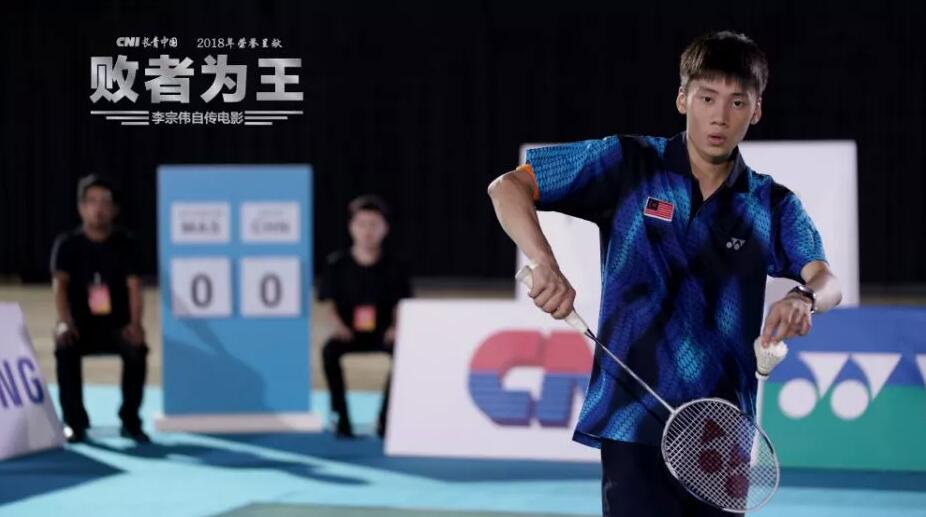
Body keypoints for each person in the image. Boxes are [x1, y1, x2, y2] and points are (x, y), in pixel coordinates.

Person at [488, 31, 842, 516]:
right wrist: (544, 261)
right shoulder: (628, 163)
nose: (720, 116)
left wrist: (804, 297)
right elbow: (508, 187)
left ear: (756, 110)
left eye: (738, 102)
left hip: (722, 430)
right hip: (631, 417)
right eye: (707, 98)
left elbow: (827, 280)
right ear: (682, 99)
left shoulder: (771, 203)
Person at [50, 174, 150, 444]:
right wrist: (64, 321)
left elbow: (135, 287)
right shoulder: (67, 245)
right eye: (92, 201)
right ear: (81, 207)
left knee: (137, 348)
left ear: (115, 209)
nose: (98, 208)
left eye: (105, 202)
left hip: (117, 325)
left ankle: (130, 420)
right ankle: (74, 422)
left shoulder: (127, 244)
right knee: (64, 346)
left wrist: (135, 324)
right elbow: (59, 286)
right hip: (80, 325)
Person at [318, 195, 412, 439]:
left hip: (382, 332)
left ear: (385, 228)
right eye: (361, 224)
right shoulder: (336, 264)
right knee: (329, 352)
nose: (367, 231)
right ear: (351, 227)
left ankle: (386, 419)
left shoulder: (396, 265)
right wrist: (338, 326)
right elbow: (328, 304)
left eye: (373, 224)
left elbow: (402, 304)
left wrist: (395, 328)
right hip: (348, 332)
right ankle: (341, 417)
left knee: (404, 354)